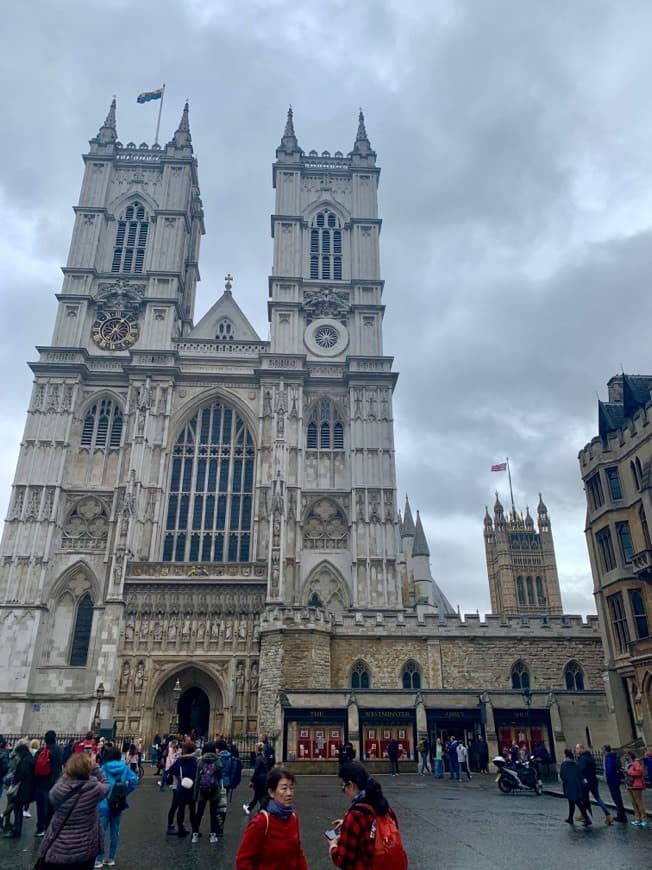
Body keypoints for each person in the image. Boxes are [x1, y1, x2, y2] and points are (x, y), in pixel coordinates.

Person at [35, 751, 109, 870]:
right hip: (84, 848)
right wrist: (95, 767)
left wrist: (69, 771)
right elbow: (106, 785)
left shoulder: (58, 789)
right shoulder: (94, 790)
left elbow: (55, 791)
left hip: (60, 846)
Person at [328, 760, 406, 869]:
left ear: (351, 785)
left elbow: (344, 860)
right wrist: (346, 825)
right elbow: (375, 826)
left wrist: (333, 846)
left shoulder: (355, 816)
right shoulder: (384, 806)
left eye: (343, 786)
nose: (343, 791)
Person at [235, 766, 308, 870]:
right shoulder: (261, 822)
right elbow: (243, 860)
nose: (289, 793)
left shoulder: (293, 817)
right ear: (271, 792)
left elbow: (298, 852)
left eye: (291, 788)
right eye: (284, 788)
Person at [94, 746, 138, 868]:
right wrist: (125, 792)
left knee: (101, 832)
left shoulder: (103, 768)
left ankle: (99, 859)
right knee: (115, 831)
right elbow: (134, 781)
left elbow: (96, 783)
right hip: (118, 803)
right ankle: (111, 858)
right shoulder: (124, 768)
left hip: (104, 802)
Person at [192, 740, 224, 844]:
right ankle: (213, 835)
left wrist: (195, 794)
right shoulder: (217, 760)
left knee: (199, 813)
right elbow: (220, 776)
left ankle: (195, 834)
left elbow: (197, 778)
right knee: (213, 813)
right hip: (214, 790)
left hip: (202, 790)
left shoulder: (201, 761)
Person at [166, 739, 199, 837]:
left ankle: (180, 828)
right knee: (192, 809)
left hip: (180, 788)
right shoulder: (194, 761)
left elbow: (171, 770)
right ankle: (194, 830)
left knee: (181, 808)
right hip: (192, 788)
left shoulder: (180, 760)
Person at [34, 729, 63, 837]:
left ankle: (41, 828)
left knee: (42, 806)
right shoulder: (59, 750)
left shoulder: (42, 750)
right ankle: (49, 826)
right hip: (55, 781)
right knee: (51, 805)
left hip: (43, 781)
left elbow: (35, 764)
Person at [3, 742, 34, 839]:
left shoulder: (25, 761)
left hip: (22, 789)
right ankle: (14, 828)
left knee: (17, 809)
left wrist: (14, 781)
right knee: (17, 808)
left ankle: (16, 831)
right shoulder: (30, 759)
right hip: (27, 788)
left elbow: (20, 774)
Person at [575, 743, 612, 824]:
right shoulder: (589, 757)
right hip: (593, 780)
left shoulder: (583, 758)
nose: (576, 750)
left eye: (577, 748)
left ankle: (586, 815)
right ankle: (608, 814)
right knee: (597, 798)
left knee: (584, 799)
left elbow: (582, 769)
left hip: (586, 781)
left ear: (582, 749)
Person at [559, 747, 591, 826]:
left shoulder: (564, 764)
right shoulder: (575, 763)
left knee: (577, 802)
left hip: (569, 785)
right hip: (577, 784)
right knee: (572, 802)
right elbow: (580, 774)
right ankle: (570, 818)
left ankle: (587, 818)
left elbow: (562, 775)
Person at [603, 744, 627, 823]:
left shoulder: (609, 758)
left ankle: (621, 816)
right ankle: (621, 814)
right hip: (615, 780)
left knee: (616, 798)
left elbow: (609, 771)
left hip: (613, 781)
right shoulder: (612, 757)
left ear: (605, 750)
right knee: (617, 798)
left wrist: (608, 780)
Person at [243, 743, 268, 815]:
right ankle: (250, 808)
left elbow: (256, 770)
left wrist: (252, 781)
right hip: (264, 779)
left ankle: (262, 809)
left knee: (259, 796)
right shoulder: (264, 758)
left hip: (259, 780)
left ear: (257, 749)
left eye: (255, 748)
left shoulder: (258, 759)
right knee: (258, 795)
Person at [624, 750, 648, 827]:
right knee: (633, 802)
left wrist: (628, 772)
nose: (625, 756)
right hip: (629, 784)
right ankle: (637, 818)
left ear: (630, 755)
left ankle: (644, 819)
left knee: (639, 802)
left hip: (636, 784)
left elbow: (639, 772)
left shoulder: (636, 762)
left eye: (626, 755)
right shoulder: (627, 763)